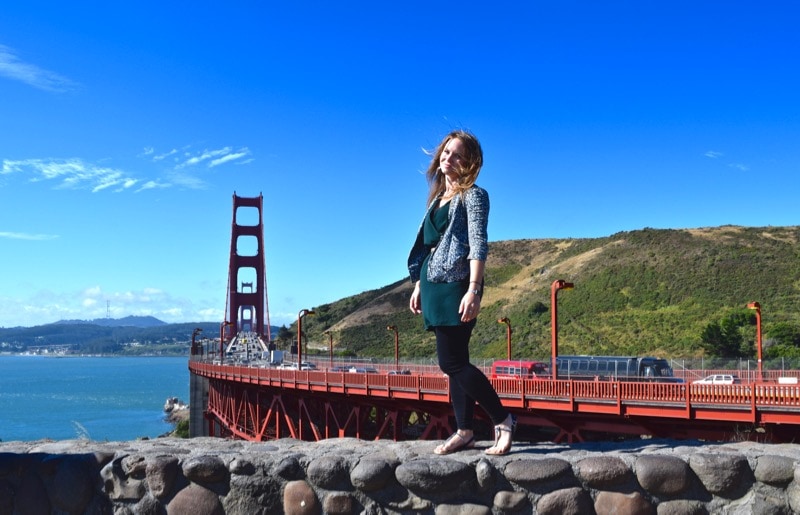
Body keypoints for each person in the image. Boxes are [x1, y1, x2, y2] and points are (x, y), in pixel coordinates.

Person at [407, 129, 515, 456]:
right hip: (433, 287)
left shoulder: (474, 196)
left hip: (457, 286)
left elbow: (479, 243)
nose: (448, 158)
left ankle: (504, 419)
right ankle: (465, 430)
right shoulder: (437, 200)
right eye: (445, 152)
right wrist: (417, 285)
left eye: (456, 154)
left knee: (451, 362)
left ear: (468, 162)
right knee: (457, 362)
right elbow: (427, 247)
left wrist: (474, 290)